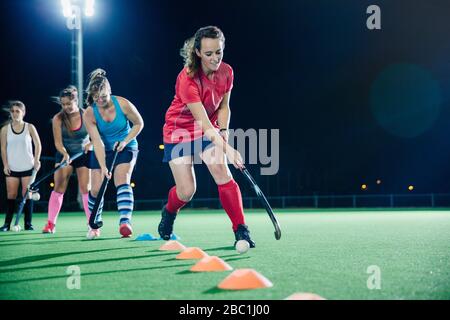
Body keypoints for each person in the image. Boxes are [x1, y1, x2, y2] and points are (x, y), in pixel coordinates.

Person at [159, 26, 255, 247]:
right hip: (179, 131)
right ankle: (169, 211)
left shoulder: (227, 72)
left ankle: (241, 230)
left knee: (222, 171)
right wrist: (228, 149)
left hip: (208, 130)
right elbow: (202, 121)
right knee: (186, 191)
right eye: (209, 54)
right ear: (198, 53)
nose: (215, 59)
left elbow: (224, 107)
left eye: (219, 52)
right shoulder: (187, 79)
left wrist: (224, 133)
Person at [83, 69, 144, 239]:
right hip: (102, 148)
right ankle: (94, 224)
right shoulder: (89, 113)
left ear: (109, 91)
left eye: (103, 96)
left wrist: (125, 141)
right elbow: (97, 141)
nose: (100, 100)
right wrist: (103, 166)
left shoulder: (123, 104)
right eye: (96, 97)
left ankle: (125, 222)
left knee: (122, 180)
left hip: (127, 145)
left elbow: (139, 124)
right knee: (95, 188)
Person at [42, 86, 93, 234]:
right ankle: (51, 224)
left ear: (76, 101)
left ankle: (92, 224)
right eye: (63, 104)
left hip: (83, 154)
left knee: (85, 189)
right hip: (64, 154)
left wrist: (90, 144)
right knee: (58, 188)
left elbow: (95, 135)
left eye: (69, 104)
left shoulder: (86, 115)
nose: (66, 107)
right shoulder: (57, 118)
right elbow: (58, 142)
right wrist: (64, 154)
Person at [0, 101, 42, 231]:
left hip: (28, 168)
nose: (14, 114)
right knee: (11, 195)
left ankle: (28, 224)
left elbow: (38, 144)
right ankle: (7, 224)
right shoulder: (5, 129)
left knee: (26, 195)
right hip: (12, 168)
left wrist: (36, 160)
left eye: (17, 111)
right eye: (12, 111)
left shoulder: (30, 127)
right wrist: (5, 164)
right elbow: (3, 148)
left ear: (23, 113)